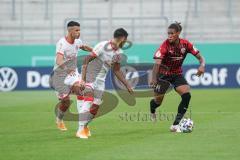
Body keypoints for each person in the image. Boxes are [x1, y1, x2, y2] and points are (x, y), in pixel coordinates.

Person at [76, 28, 134, 139]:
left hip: (100, 80)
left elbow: (116, 70)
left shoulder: (119, 53)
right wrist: (82, 79)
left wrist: (127, 85)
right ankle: (79, 130)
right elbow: (86, 60)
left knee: (95, 108)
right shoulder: (103, 46)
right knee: (88, 101)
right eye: (125, 40)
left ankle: (85, 126)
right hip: (90, 76)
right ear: (122, 38)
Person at [150, 22, 205, 132]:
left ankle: (175, 125)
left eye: (172, 33)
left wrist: (202, 66)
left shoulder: (186, 44)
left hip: (176, 74)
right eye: (168, 33)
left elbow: (200, 58)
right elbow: (157, 64)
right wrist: (154, 79)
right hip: (162, 75)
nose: (169, 36)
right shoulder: (164, 46)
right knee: (158, 101)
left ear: (178, 33)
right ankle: (152, 110)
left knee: (186, 95)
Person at [52, 21, 92, 131]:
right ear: (70, 31)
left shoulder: (78, 41)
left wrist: (94, 51)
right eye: (76, 30)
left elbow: (82, 46)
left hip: (73, 74)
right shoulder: (62, 43)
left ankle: (83, 124)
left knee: (81, 90)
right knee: (66, 102)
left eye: (79, 30)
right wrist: (66, 69)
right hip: (60, 76)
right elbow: (58, 61)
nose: (79, 32)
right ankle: (59, 119)